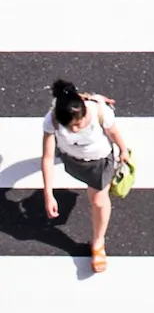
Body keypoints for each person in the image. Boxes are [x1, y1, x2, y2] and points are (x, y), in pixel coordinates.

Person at [40, 79, 131, 273]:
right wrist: (48, 194)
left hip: (99, 161)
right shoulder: (53, 118)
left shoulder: (99, 113)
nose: (74, 129)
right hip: (72, 159)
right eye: (68, 126)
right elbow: (47, 157)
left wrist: (123, 150)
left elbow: (113, 132)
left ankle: (98, 243)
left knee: (98, 201)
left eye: (79, 124)